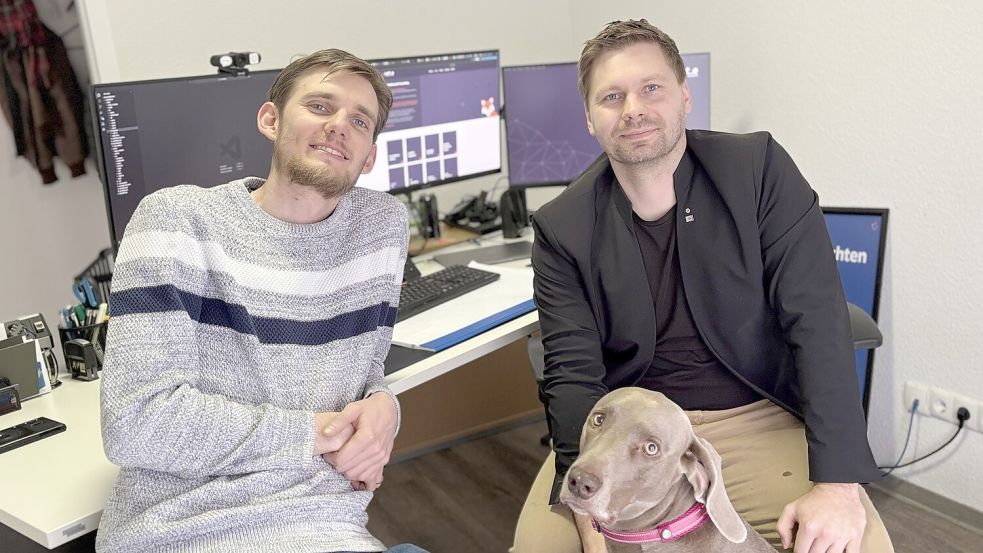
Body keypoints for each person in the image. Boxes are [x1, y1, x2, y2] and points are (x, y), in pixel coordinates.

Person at [513, 20, 894, 553]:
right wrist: (587, 520)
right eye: (612, 97)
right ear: (590, 119)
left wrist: (837, 486)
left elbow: (819, 323)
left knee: (857, 544)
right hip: (626, 428)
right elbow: (573, 375)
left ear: (685, 96)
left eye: (651, 88)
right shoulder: (563, 226)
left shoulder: (757, 171)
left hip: (754, 414)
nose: (633, 109)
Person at [97, 49, 425, 553]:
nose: (339, 125)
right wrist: (320, 433)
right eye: (320, 106)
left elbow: (360, 369)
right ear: (271, 120)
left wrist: (385, 408)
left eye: (360, 121)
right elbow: (136, 423)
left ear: (370, 156)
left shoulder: (380, 226)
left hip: (325, 526)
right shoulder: (177, 220)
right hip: (186, 532)